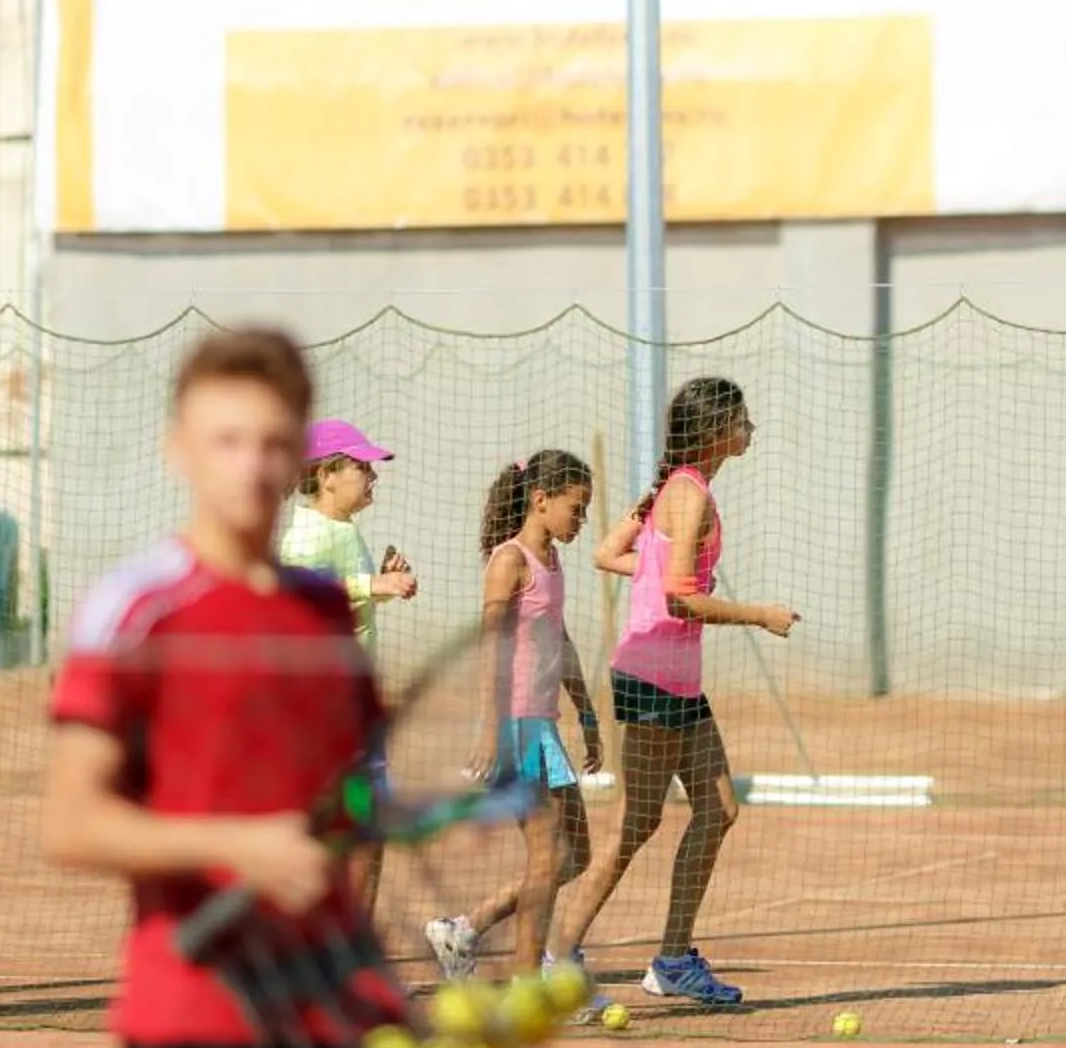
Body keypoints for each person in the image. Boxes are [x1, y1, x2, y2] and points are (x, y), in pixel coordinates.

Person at [43, 326, 474, 1048]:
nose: (253, 463)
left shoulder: (327, 613)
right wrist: (243, 843)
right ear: (177, 447)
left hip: (340, 1001)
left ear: (300, 457)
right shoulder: (138, 607)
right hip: (196, 1009)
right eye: (226, 437)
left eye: (273, 441)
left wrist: (398, 817)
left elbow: (333, 806)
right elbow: (71, 819)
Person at [544, 378, 797, 1008]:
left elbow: (610, 554)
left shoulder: (678, 488)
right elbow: (682, 595)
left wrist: (657, 573)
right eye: (743, 419)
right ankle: (556, 960)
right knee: (635, 827)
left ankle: (674, 960)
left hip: (675, 679)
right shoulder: (688, 497)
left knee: (718, 810)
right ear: (717, 432)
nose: (751, 428)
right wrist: (759, 613)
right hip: (655, 677)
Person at [425, 450, 602, 982]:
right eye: (577, 507)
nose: (582, 519)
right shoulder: (510, 560)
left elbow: (560, 640)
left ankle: (464, 929)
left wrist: (587, 710)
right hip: (518, 726)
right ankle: (529, 983)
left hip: (543, 725)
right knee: (548, 857)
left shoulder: (552, 560)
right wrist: (490, 729)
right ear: (541, 500)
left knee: (576, 855)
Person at [278, 418, 417, 652]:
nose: (373, 477)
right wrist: (372, 584)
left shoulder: (344, 528)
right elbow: (306, 597)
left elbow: (353, 601)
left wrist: (386, 584)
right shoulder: (307, 536)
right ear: (326, 477)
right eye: (362, 467)